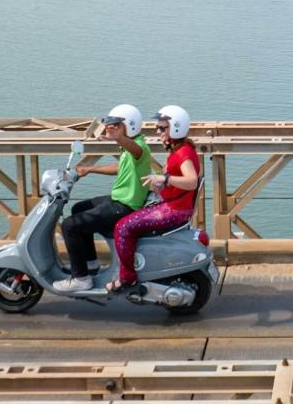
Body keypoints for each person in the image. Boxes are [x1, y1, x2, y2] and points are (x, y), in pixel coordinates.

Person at [52, 105, 153, 293]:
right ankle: (90, 265)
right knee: (78, 209)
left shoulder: (140, 147)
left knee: (69, 226)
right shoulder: (129, 148)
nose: (111, 127)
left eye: (116, 124)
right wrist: (90, 169)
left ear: (128, 126)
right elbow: (121, 166)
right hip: (118, 200)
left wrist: (119, 138)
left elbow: (137, 151)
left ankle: (81, 278)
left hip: (124, 206)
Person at [110, 104, 202, 289]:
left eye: (161, 128)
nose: (158, 132)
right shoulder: (180, 149)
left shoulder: (182, 152)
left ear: (175, 127)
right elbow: (180, 185)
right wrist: (161, 185)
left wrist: (165, 178)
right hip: (174, 206)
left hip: (174, 211)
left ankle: (127, 277)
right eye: (157, 128)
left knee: (123, 227)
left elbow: (191, 181)